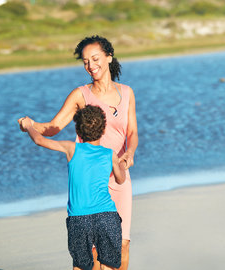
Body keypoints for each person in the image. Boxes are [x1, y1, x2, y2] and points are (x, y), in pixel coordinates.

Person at [18, 35, 138, 270]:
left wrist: (130, 153)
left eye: (95, 59)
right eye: (85, 62)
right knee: (93, 249)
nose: (91, 66)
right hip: (91, 178)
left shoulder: (127, 92)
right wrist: (31, 125)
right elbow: (53, 128)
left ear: (109, 57)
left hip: (119, 173)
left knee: (122, 243)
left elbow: (132, 131)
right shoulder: (80, 94)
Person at [20, 105, 127, 270]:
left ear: (78, 130)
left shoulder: (71, 148)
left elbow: (39, 140)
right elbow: (120, 180)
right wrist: (122, 164)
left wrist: (28, 126)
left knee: (80, 266)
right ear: (103, 129)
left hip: (79, 218)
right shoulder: (110, 154)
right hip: (106, 215)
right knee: (109, 266)